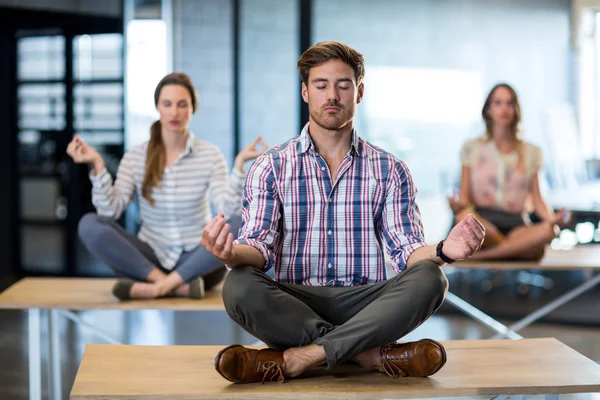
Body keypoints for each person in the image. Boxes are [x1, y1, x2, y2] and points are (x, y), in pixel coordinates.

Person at [200, 41, 485, 384]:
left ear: (359, 92)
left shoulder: (390, 169)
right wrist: (230, 252)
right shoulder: (271, 166)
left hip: (365, 302)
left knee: (432, 278)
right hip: (295, 301)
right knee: (239, 284)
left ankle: (301, 358)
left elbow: (406, 250)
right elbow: (258, 246)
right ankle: (367, 355)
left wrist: (443, 251)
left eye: (343, 85)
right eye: (321, 85)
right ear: (306, 92)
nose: (331, 95)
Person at [68, 72, 267, 300]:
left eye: (182, 105)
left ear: (192, 109)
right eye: (167, 104)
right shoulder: (135, 156)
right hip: (151, 259)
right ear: (158, 108)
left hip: (197, 263)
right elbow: (109, 211)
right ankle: (173, 286)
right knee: (89, 224)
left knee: (239, 222)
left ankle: (156, 288)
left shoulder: (210, 154)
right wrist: (97, 165)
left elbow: (228, 210)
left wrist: (240, 166)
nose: (174, 112)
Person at [448, 83, 569, 261]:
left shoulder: (532, 152)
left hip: (517, 225)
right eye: (498, 103)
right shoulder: (471, 148)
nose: (504, 108)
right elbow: (464, 198)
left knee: (550, 230)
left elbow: (538, 199)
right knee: (463, 217)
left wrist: (553, 218)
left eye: (509, 103)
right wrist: (457, 204)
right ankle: (513, 250)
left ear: (516, 109)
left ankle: (481, 256)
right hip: (483, 222)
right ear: (488, 109)